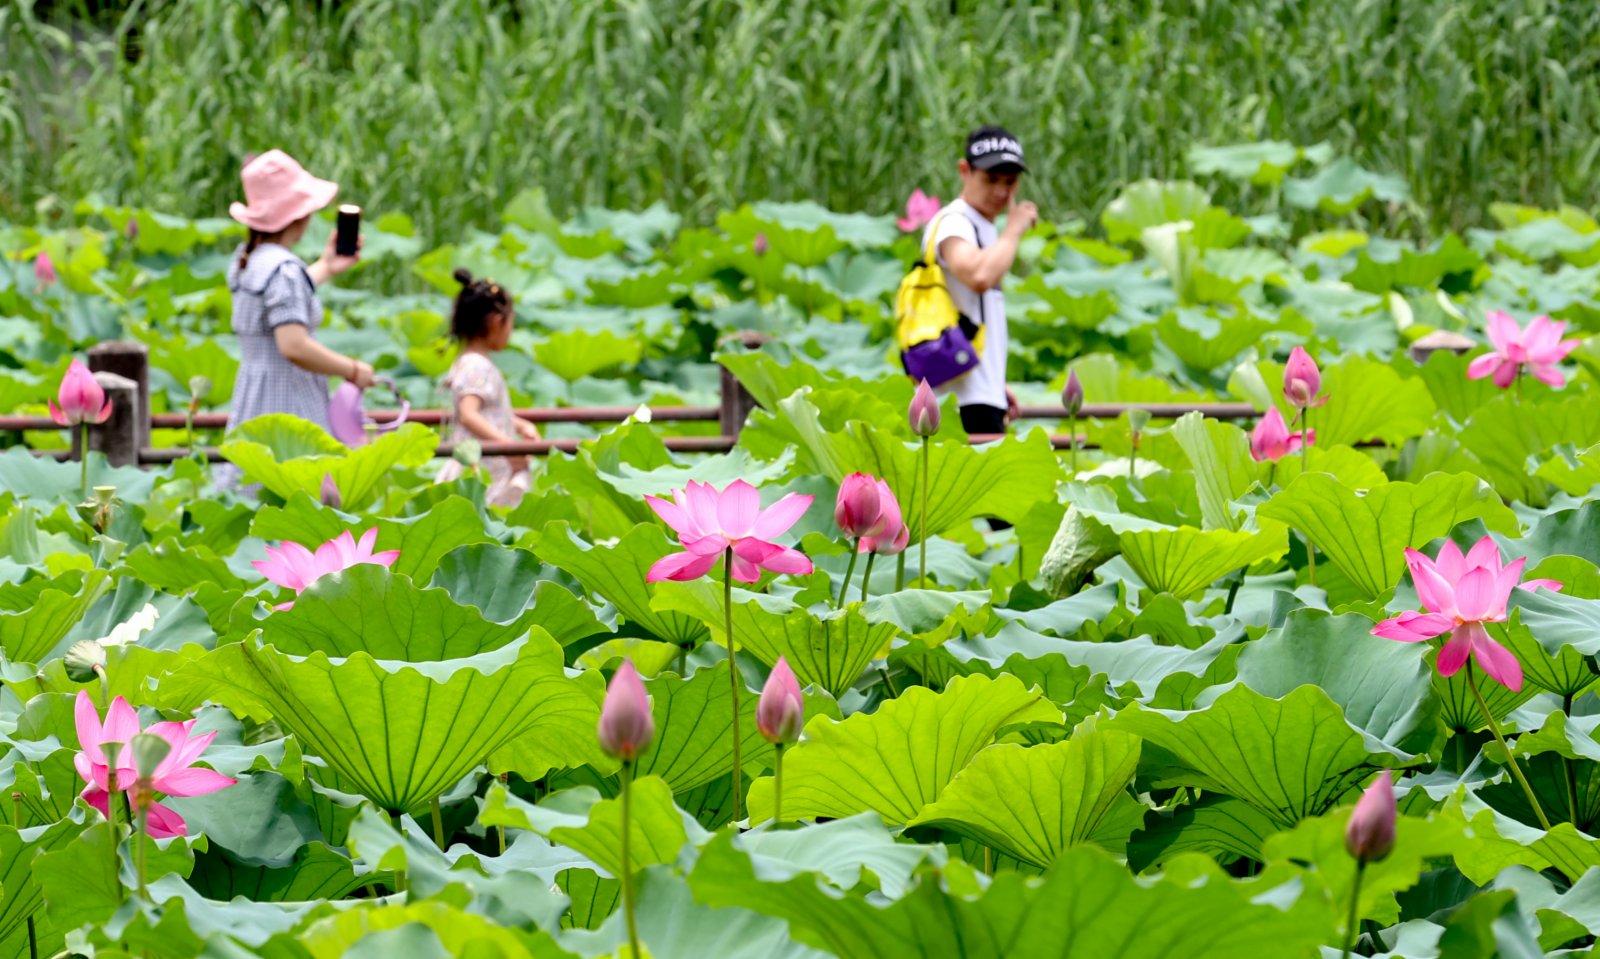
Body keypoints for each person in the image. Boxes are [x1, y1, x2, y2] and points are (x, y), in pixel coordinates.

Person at [224, 149, 374, 444]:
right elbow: (294, 346)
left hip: (253, 396)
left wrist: (327, 266)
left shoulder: (247, 258)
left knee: (252, 478)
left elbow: (277, 301)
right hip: (288, 398)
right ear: (299, 214)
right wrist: (353, 369)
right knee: (295, 480)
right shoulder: (286, 270)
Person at [921, 125, 1038, 436]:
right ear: (964, 171)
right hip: (959, 401)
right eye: (990, 179)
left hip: (981, 394)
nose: (1001, 191)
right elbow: (979, 275)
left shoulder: (982, 226)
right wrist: (1013, 230)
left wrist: (995, 385)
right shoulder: (954, 222)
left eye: (1010, 182)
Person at [434, 269, 540, 506]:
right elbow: (469, 414)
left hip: (480, 464)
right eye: (510, 323)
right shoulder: (478, 366)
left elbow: (487, 413)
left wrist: (520, 424)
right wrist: (509, 447)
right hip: (484, 468)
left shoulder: (466, 360)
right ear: (496, 322)